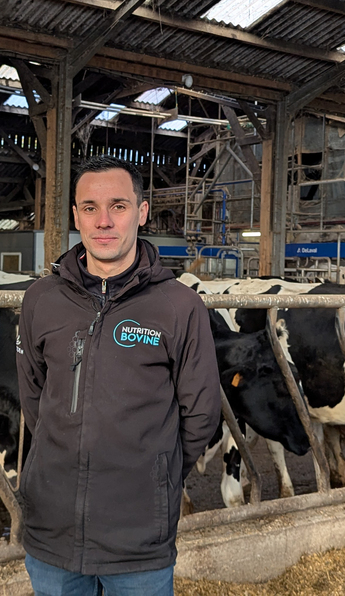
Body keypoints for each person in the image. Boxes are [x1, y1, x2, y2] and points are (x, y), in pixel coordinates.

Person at [16, 155, 222, 595]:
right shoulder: (40, 300)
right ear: (75, 216)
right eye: (89, 208)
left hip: (138, 540)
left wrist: (157, 476)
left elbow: (201, 413)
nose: (103, 221)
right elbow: (34, 397)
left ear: (142, 212)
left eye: (119, 206)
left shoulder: (179, 306)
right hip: (51, 533)